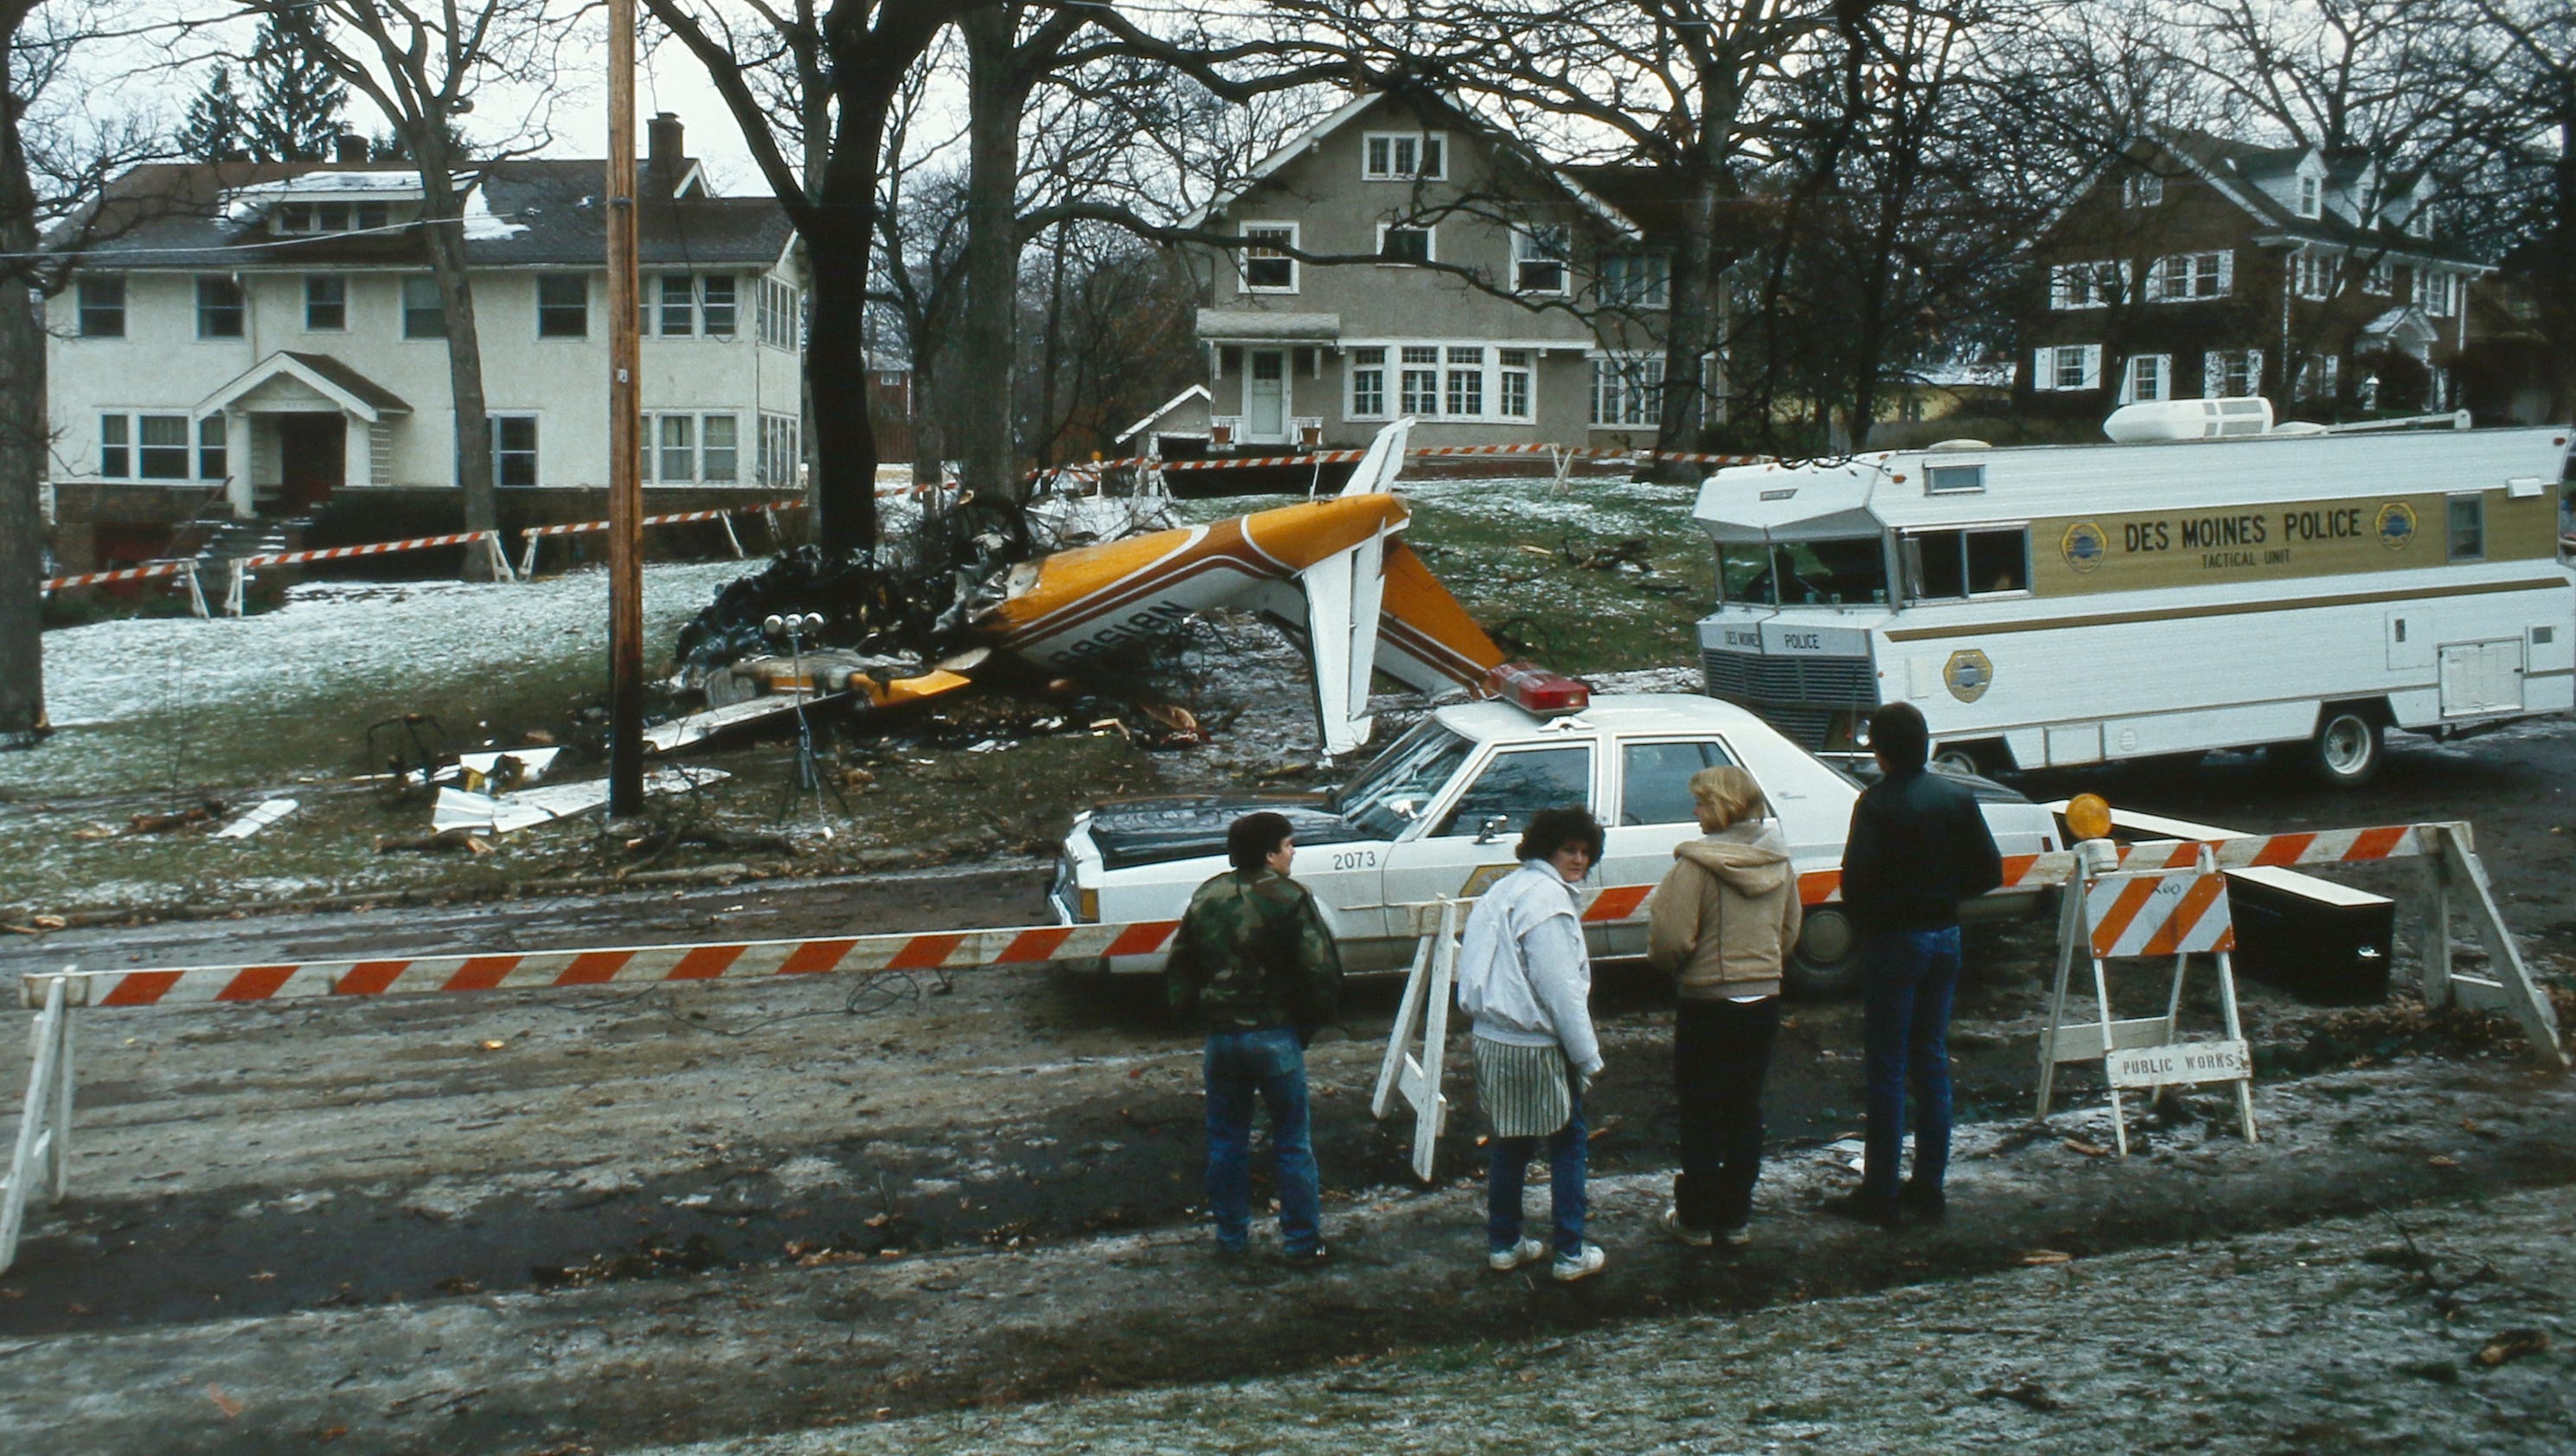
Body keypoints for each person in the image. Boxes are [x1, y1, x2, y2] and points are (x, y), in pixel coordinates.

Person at [1828, 702, 2002, 1228]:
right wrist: (1943, 896)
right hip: (1944, 934)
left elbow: (1854, 884)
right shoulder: (1956, 795)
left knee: (1886, 1065)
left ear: (1880, 749)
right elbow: (1989, 870)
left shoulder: (1876, 804)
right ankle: (1929, 1185)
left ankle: (1879, 1189)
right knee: (1930, 1060)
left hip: (1895, 939)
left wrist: (1878, 917)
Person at [1166, 811, 1342, 1265]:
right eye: (1288, 846)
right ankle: (1302, 1244)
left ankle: (1231, 1240)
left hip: (1222, 1039)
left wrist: (1195, 1014)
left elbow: (1181, 966)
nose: (1293, 853)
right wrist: (1307, 1025)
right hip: (1276, 1036)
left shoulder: (1209, 894)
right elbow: (1321, 970)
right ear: (1269, 854)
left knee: (1226, 1142)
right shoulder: (1290, 898)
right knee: (1292, 1142)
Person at [1646, 766, 1801, 1248]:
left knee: (1700, 1110)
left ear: (1720, 807)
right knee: (1743, 1108)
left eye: (1700, 803)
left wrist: (1675, 969)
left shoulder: (1694, 868)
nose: (1694, 812)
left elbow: (1671, 939)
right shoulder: (1779, 863)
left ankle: (1694, 1219)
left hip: (1708, 1001)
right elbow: (1790, 930)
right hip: (1762, 999)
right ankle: (1735, 1218)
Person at [1455, 805, 1609, 1282]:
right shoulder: (1548, 902)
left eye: (1586, 852)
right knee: (1567, 1142)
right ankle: (1569, 1251)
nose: (1579, 860)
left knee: (1511, 1145)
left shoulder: (1503, 890)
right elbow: (1560, 989)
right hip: (1537, 1043)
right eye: (1570, 850)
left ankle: (1504, 1243)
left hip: (1492, 1037)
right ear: (1548, 848)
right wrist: (1587, 1056)